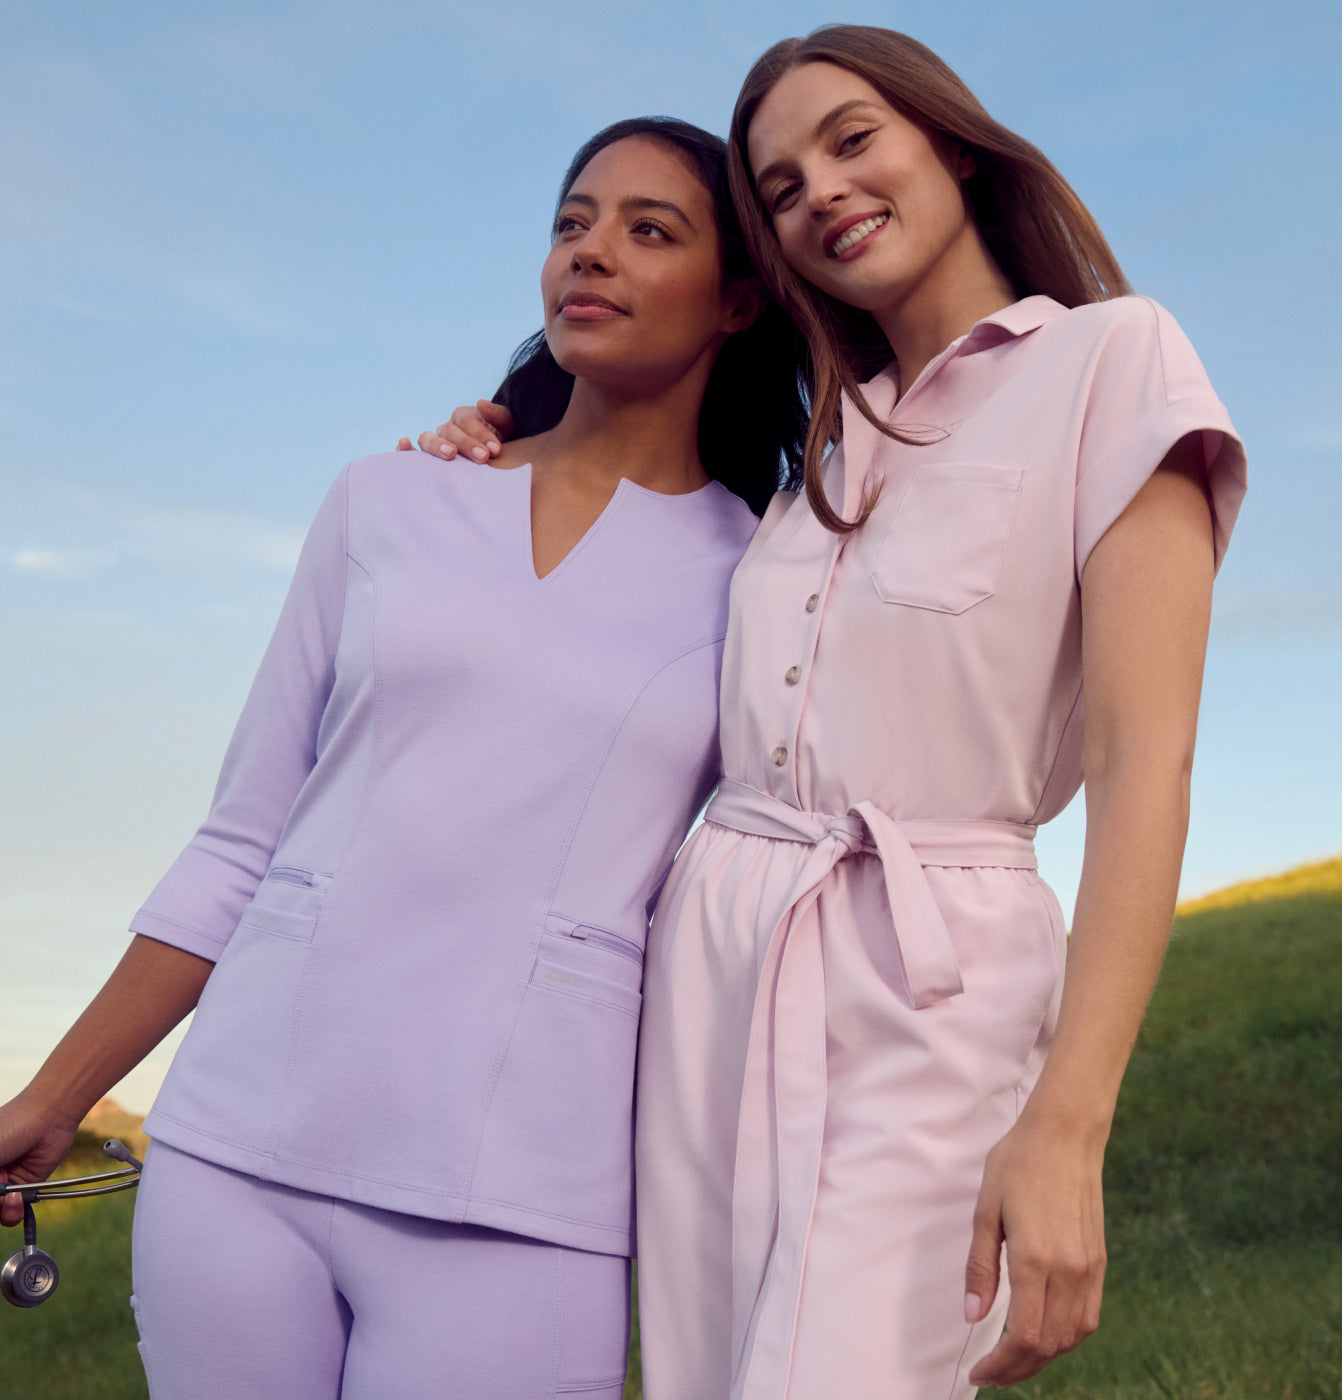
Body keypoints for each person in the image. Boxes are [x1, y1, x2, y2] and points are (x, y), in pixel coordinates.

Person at [412, 26, 1246, 1400]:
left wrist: (1068, 1123)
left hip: (931, 974)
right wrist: (503, 432)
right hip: (711, 961)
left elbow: (1144, 758)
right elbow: (630, 504)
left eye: (851, 140)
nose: (822, 195)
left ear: (950, 144)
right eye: (780, 188)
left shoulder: (1112, 359)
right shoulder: (817, 440)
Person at [0, 118, 809, 1399]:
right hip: (237, 1152)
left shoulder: (767, 574)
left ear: (739, 301)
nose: (589, 251)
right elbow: (242, 837)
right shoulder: (387, 498)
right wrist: (56, 1096)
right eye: (571, 222)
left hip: (526, 1191)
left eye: (648, 230)